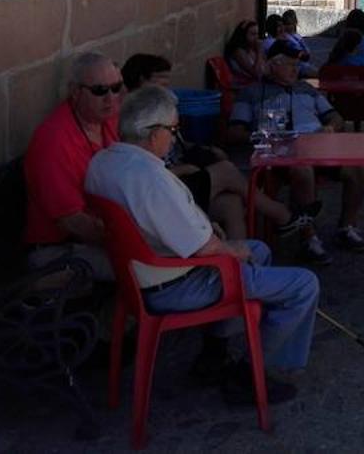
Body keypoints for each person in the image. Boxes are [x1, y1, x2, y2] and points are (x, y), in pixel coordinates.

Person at [85, 85, 318, 404]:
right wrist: (229, 247)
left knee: (260, 250)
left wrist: (212, 234)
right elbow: (205, 249)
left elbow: (170, 226)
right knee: (303, 284)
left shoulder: (104, 162)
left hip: (141, 275)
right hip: (175, 284)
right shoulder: (149, 177)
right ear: (154, 133)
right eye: (173, 130)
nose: (174, 138)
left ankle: (215, 351)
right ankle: (251, 374)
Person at [122, 53, 314, 241]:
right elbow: (144, 172)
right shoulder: (135, 117)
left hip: (177, 180)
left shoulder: (157, 107)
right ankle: (283, 216)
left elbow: (175, 142)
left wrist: (202, 149)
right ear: (141, 81)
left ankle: (241, 266)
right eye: (160, 85)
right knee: (226, 170)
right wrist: (182, 169)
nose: (166, 90)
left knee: (232, 204)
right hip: (166, 188)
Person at [227, 41, 364, 264]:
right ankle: (309, 239)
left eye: (297, 65)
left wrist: (330, 127)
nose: (296, 69)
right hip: (281, 153)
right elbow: (234, 131)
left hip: (318, 146)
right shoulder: (252, 93)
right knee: (302, 170)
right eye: (290, 64)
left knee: (362, 166)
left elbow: (335, 116)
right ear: (272, 65)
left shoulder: (306, 89)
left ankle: (347, 226)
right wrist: (263, 136)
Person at [23, 52, 123, 278]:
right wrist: (137, 240)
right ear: (76, 92)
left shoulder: (108, 120)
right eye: (100, 90)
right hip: (59, 250)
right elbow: (74, 223)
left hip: (100, 233)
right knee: (142, 270)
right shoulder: (54, 140)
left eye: (116, 88)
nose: (110, 98)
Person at [224, 20, 264, 86]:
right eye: (253, 34)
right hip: (245, 86)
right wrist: (259, 52)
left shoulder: (251, 49)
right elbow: (256, 73)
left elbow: (263, 66)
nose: (256, 37)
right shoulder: (238, 51)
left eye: (257, 34)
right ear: (243, 35)